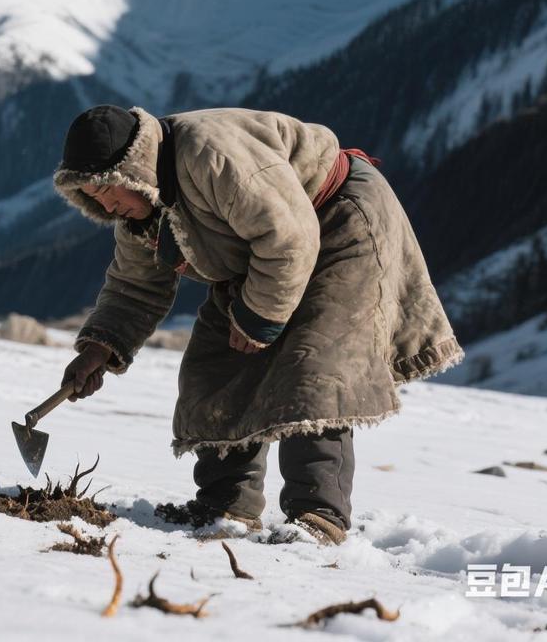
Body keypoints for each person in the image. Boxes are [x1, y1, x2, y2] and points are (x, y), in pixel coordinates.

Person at [53, 104, 464, 544]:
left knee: (315, 367)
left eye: (110, 188)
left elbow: (289, 238)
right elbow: (135, 286)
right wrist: (99, 349)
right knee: (215, 364)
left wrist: (258, 319)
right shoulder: (141, 209)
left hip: (337, 219)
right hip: (267, 251)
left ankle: (318, 516)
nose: (108, 203)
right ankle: (225, 506)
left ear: (133, 168)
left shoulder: (212, 155)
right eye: (94, 196)